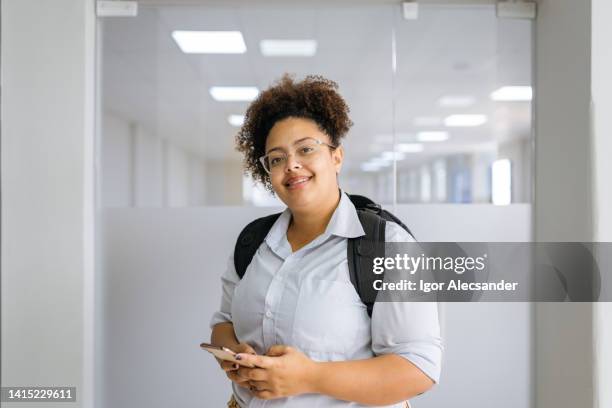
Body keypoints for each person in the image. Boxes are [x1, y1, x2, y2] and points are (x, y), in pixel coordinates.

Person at [209, 74, 442, 408]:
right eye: (276, 158)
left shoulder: (387, 245)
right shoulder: (253, 241)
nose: (291, 165)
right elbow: (223, 323)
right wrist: (236, 354)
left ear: (336, 157)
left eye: (306, 149)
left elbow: (418, 370)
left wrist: (308, 377)